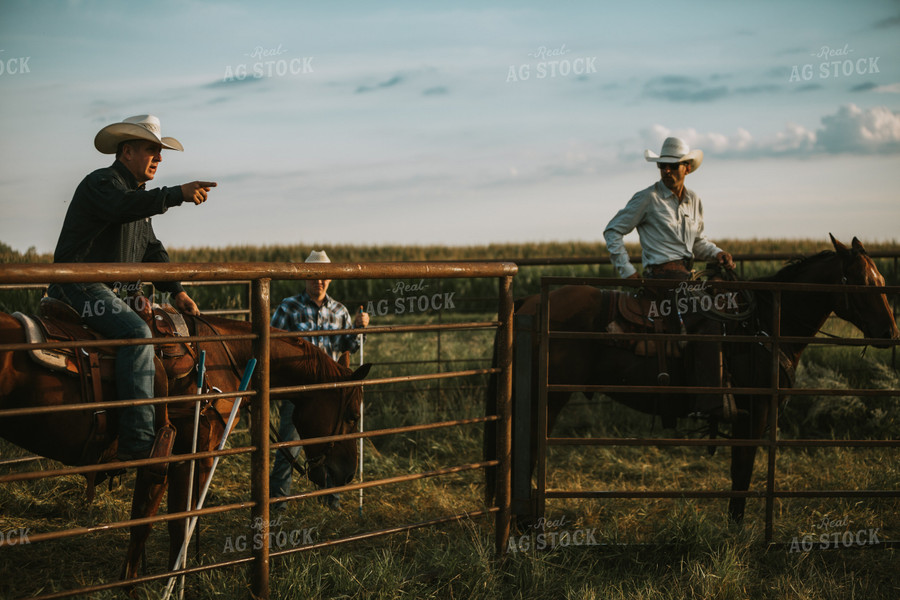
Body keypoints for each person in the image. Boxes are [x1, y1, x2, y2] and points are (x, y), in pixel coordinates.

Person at [47, 114, 217, 461]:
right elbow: (122, 208)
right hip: (79, 283)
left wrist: (177, 290)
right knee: (137, 334)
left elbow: (151, 249)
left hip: (112, 289)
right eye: (151, 150)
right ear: (126, 152)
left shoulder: (137, 198)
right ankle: (138, 443)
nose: (159, 157)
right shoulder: (104, 184)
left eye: (159, 152)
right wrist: (176, 195)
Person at [603, 136, 735, 421]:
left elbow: (698, 243)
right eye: (663, 165)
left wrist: (717, 254)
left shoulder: (694, 200)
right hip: (660, 280)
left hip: (686, 277)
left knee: (729, 305)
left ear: (687, 167)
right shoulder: (647, 198)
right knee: (710, 317)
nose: (667, 171)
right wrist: (628, 272)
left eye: (673, 166)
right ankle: (708, 403)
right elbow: (613, 230)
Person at [269, 250, 370, 507]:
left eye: (324, 277)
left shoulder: (340, 311)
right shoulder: (288, 307)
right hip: (299, 391)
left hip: (330, 394)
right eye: (314, 276)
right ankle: (278, 503)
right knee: (288, 446)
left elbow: (349, 345)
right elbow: (272, 343)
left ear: (330, 280)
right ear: (305, 277)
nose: (320, 281)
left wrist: (360, 329)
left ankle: (331, 501)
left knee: (332, 444)